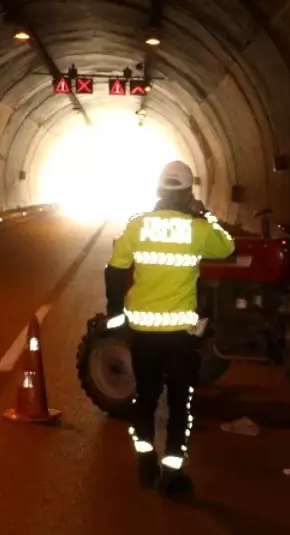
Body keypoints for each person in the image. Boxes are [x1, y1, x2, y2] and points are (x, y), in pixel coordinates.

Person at [103, 161, 236, 496]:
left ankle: (145, 461)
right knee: (180, 404)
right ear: (188, 192)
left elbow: (115, 270)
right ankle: (172, 473)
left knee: (145, 398)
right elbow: (228, 247)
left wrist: (115, 312)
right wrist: (205, 216)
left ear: (159, 191)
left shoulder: (137, 225)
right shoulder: (197, 229)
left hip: (143, 333)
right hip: (179, 336)